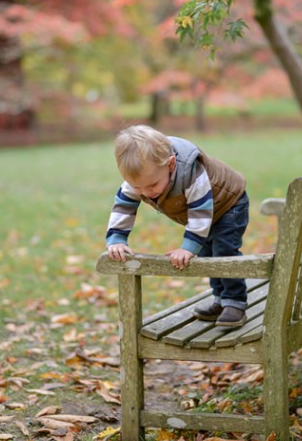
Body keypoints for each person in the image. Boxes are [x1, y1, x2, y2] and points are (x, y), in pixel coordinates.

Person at [105, 125, 250, 327]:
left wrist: (187, 247)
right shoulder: (142, 179)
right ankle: (220, 300)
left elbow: (201, 213)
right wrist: (117, 239)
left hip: (229, 204)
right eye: (138, 188)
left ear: (171, 165)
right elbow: (123, 206)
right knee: (207, 253)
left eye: (153, 185)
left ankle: (235, 302)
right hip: (204, 211)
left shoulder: (191, 174)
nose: (146, 192)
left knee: (224, 252)